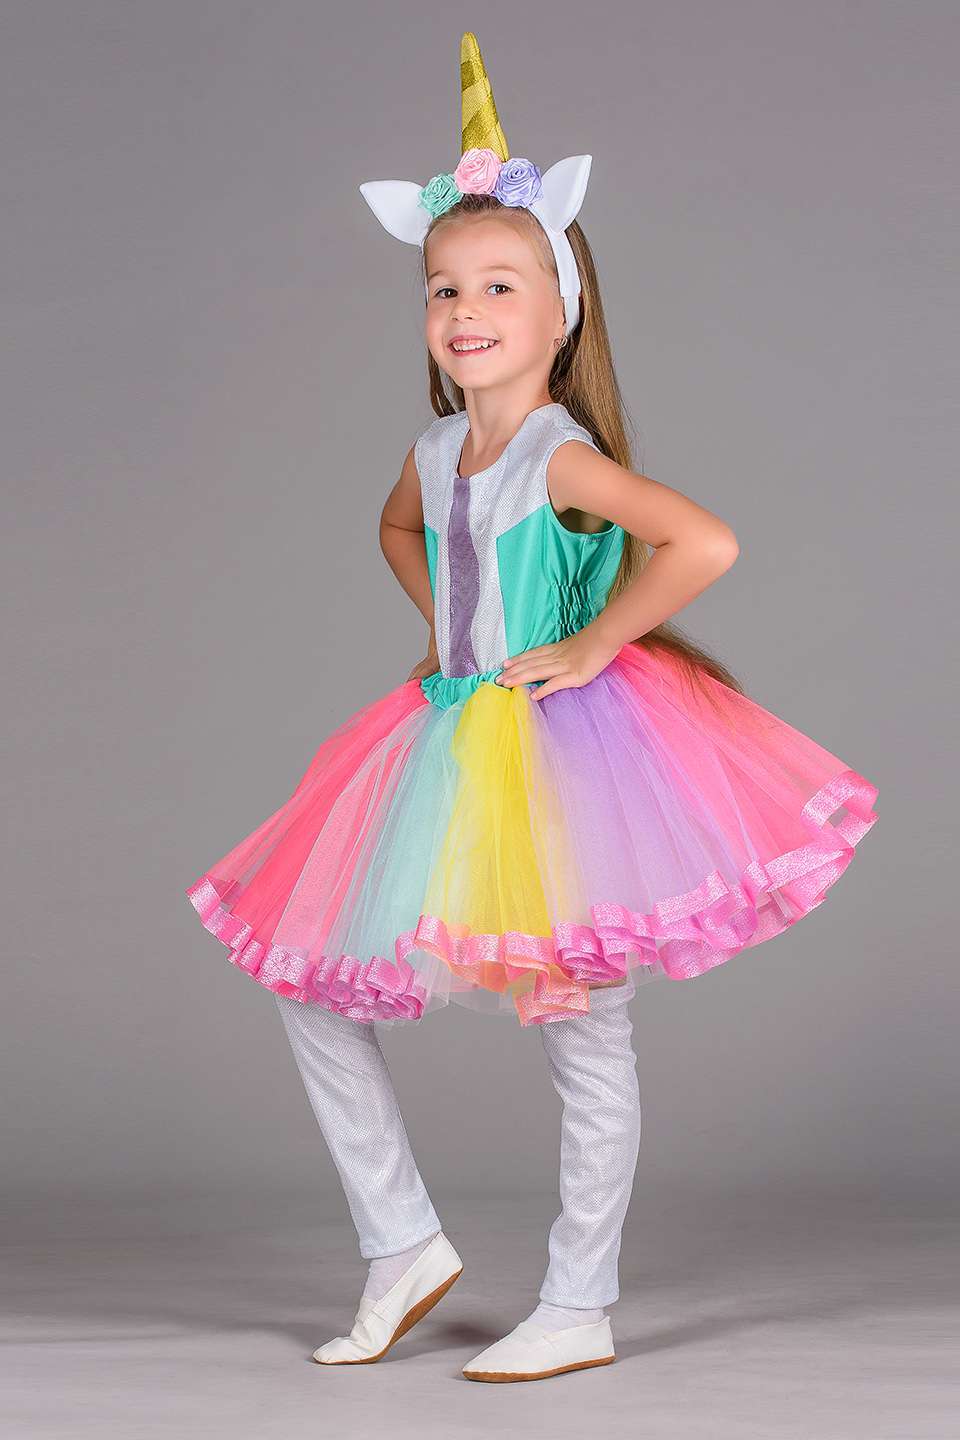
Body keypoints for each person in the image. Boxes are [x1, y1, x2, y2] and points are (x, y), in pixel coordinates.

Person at [185, 31, 879, 1383]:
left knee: (581, 1026)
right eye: (443, 288)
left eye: (500, 285)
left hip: (564, 762)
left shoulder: (561, 455)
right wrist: (448, 637)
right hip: (447, 737)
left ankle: (579, 1299)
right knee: (305, 978)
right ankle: (401, 1244)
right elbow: (400, 529)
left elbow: (703, 541)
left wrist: (591, 644)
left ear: (561, 310)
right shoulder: (438, 444)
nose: (466, 310)